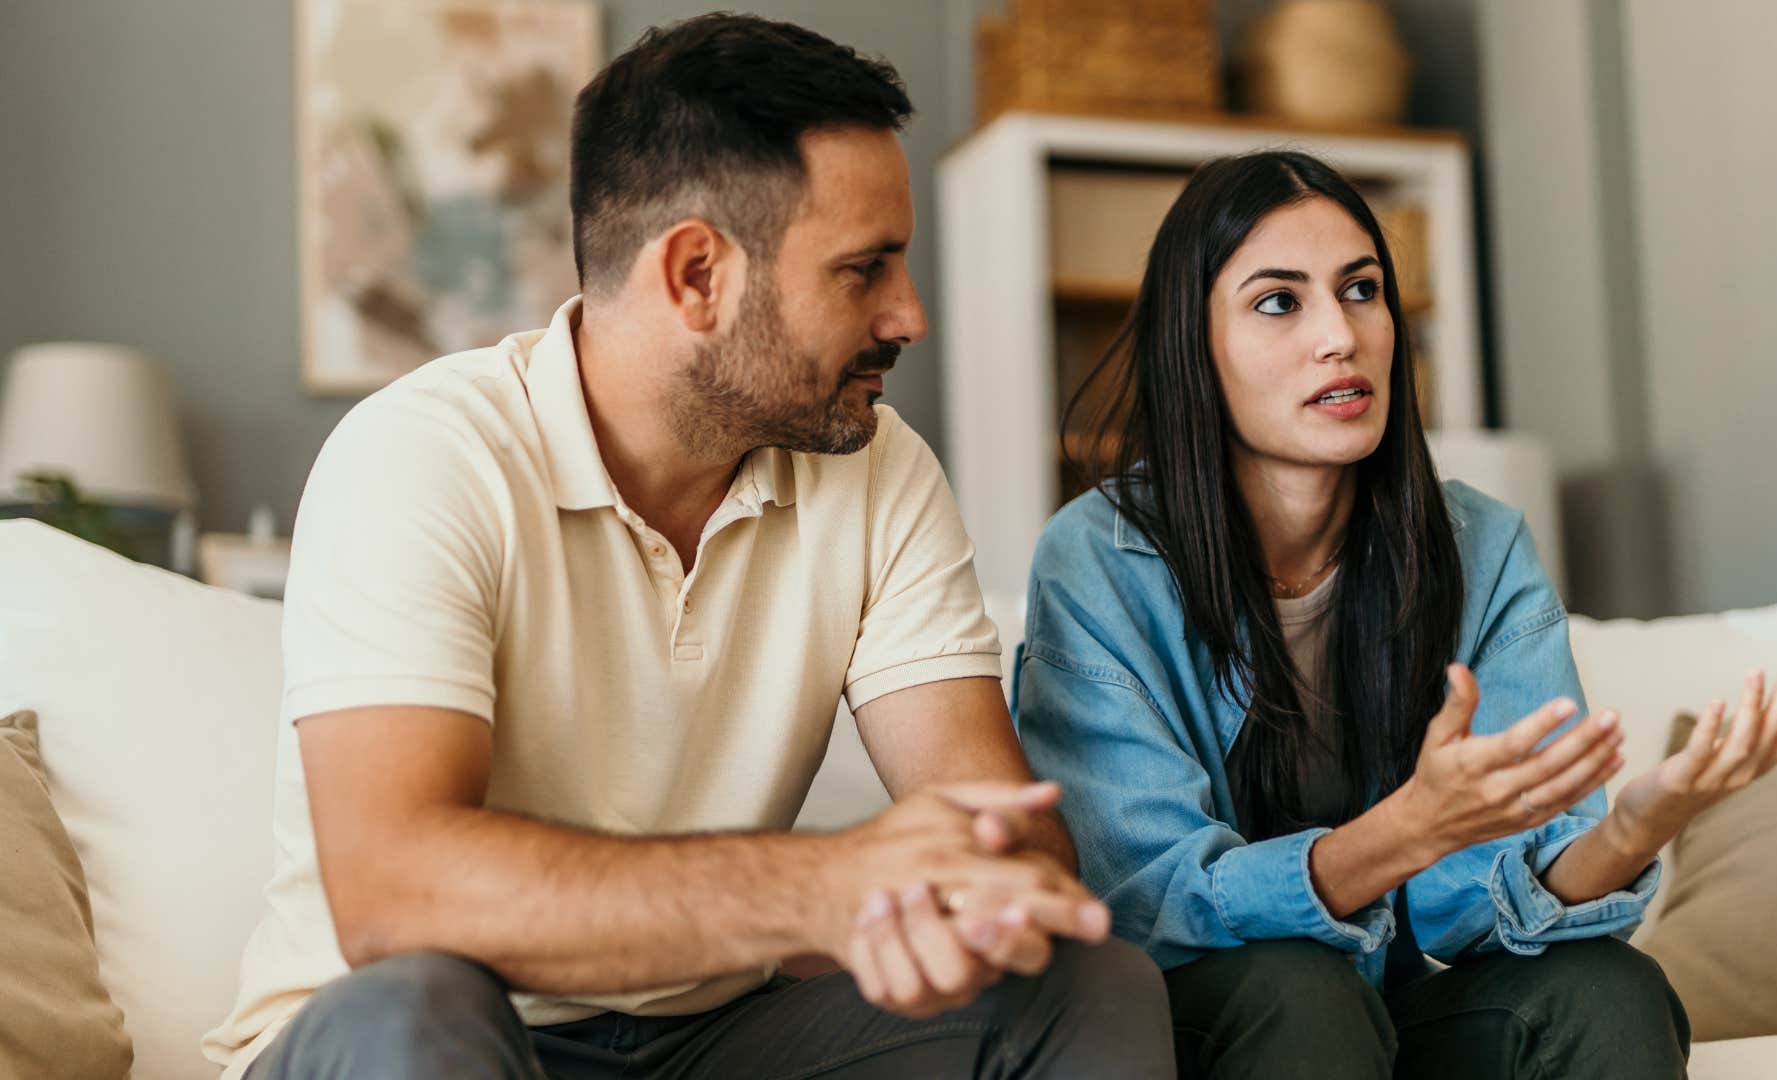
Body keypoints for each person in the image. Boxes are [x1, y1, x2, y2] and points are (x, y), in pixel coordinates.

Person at [204, 14, 1173, 1079]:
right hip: (429, 1030)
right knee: (419, 1008)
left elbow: (1007, 838)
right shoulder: (423, 456)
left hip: (712, 1041)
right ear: (697, 274)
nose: (908, 317)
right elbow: (397, 894)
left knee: (1083, 986)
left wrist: (968, 907)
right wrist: (815, 891)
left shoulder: (879, 469)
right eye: (865, 271)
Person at [1009, 149, 1777, 1079]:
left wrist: (1640, 825)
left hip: (1383, 1013)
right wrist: (1406, 830)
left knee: (1606, 988)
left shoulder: (1481, 548)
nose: (1339, 334)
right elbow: (1144, 902)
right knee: (1298, 988)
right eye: (1279, 301)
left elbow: (1477, 903)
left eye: (1362, 289)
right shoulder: (1098, 560)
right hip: (1197, 1023)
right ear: (1192, 345)